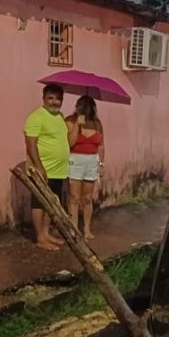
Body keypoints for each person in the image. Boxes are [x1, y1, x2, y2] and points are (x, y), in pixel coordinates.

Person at [24, 84, 70, 251]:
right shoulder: (36, 117)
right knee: (39, 203)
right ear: (43, 98)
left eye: (58, 99)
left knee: (52, 202)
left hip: (59, 170)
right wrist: (39, 166)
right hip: (42, 169)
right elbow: (31, 144)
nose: (54, 102)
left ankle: (46, 232)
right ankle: (40, 237)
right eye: (50, 98)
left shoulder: (60, 117)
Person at [65, 96, 105, 240]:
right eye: (82, 105)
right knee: (74, 197)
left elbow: (101, 146)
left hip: (91, 161)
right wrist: (77, 125)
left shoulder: (97, 124)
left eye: (88, 105)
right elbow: (70, 143)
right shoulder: (70, 120)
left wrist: (101, 164)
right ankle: (73, 229)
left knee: (87, 198)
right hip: (75, 159)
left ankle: (86, 229)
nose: (85, 108)